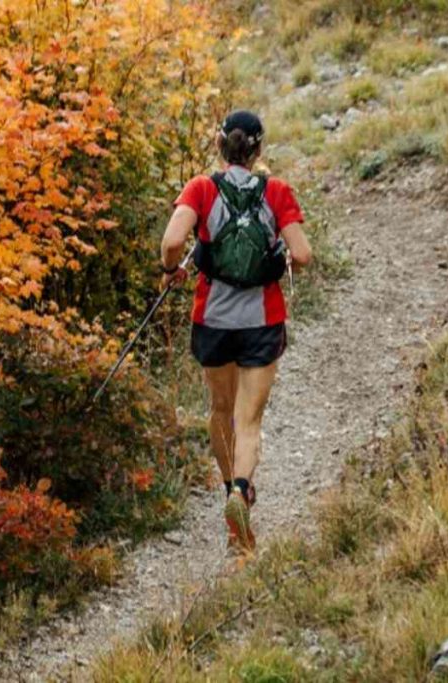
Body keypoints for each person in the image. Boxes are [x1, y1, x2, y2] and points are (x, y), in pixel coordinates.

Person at [159, 110, 312, 554]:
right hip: (261, 322)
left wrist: (170, 270)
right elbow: (303, 254)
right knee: (249, 421)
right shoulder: (277, 191)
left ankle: (228, 487)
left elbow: (172, 243)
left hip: (213, 319)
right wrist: (279, 251)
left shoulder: (202, 188)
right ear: (259, 149)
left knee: (220, 409)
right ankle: (240, 493)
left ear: (220, 144)